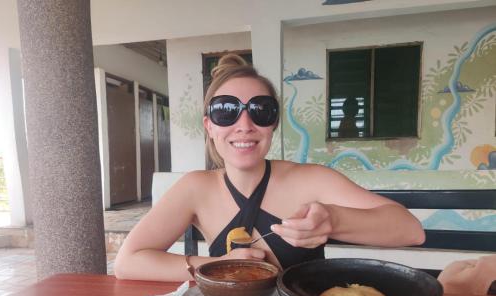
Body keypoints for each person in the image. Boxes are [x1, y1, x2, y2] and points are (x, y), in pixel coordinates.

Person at [114, 54, 425, 282]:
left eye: (261, 111)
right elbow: (127, 262)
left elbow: (410, 230)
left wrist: (334, 220)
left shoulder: (311, 179)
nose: (245, 125)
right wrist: (215, 266)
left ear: (273, 123)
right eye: (227, 112)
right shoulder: (196, 188)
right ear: (209, 125)